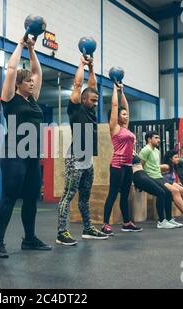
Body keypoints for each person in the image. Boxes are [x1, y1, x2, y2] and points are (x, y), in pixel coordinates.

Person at [0, 36, 51, 258]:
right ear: (18, 84)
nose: (32, 83)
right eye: (28, 82)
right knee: (8, 197)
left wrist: (32, 49)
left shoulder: (33, 100)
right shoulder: (10, 98)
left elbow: (38, 73)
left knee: (31, 198)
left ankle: (29, 239)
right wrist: (19, 44)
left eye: (32, 82)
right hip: (13, 154)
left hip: (32, 156)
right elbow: (11, 67)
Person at [56, 55, 108, 246]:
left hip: (87, 160)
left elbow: (92, 86)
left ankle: (88, 229)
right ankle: (62, 233)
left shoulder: (91, 110)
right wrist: (81, 65)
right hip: (75, 157)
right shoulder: (75, 109)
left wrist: (92, 68)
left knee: (85, 197)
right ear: (83, 99)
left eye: (97, 100)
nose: (96, 103)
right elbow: (78, 86)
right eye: (93, 100)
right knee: (68, 195)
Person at [101, 81, 142, 236]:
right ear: (117, 117)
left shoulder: (125, 127)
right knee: (113, 194)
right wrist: (114, 90)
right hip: (117, 165)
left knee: (125, 195)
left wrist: (122, 92)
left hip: (128, 165)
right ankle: (105, 224)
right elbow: (115, 106)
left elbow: (126, 107)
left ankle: (126, 222)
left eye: (126, 114)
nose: (126, 115)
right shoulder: (115, 127)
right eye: (123, 114)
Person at [139, 131, 183, 229]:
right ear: (149, 139)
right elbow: (141, 166)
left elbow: (155, 166)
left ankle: (168, 219)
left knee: (170, 192)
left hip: (159, 176)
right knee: (165, 192)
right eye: (156, 138)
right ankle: (161, 221)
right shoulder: (146, 150)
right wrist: (142, 180)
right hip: (150, 177)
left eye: (158, 138)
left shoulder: (157, 151)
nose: (158, 140)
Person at [131, 152, 174, 229]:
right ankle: (161, 221)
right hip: (137, 176)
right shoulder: (124, 151)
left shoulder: (133, 151)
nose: (134, 141)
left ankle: (169, 219)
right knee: (160, 193)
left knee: (167, 192)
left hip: (143, 174)